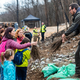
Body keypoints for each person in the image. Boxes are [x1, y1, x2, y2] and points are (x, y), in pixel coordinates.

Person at [62, 3, 80, 77]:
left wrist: (65, 33)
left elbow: (73, 26)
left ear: (74, 9)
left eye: (70, 10)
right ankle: (78, 73)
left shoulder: (79, 15)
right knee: (77, 54)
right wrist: (69, 36)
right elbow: (77, 31)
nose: (69, 12)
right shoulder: (77, 16)